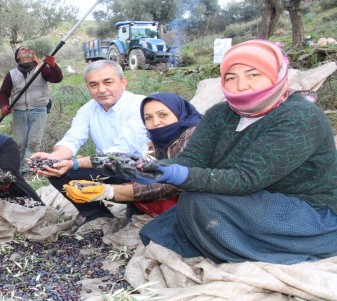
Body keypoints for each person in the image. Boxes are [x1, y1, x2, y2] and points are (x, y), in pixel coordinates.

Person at [133, 40, 337, 264]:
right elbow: (193, 159)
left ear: (276, 76)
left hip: (305, 209)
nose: (241, 86)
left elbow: (246, 178)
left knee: (197, 203)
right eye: (231, 77)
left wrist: (180, 176)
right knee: (157, 232)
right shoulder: (220, 114)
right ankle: (225, 243)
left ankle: (286, 250)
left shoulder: (300, 116)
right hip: (248, 201)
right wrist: (160, 169)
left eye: (253, 75)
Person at [30, 59, 149, 231]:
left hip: (138, 170)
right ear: (88, 87)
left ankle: (134, 204)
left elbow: (120, 152)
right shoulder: (88, 109)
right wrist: (52, 158)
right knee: (56, 170)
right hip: (106, 168)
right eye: (94, 85)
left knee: (136, 218)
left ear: (123, 82)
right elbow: (72, 140)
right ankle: (96, 214)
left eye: (108, 82)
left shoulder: (140, 105)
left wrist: (75, 162)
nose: (101, 89)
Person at [63, 92, 202, 218]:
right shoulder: (159, 140)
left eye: (163, 115)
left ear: (178, 112)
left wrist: (109, 191)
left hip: (198, 203)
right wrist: (74, 163)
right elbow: (129, 162)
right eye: (148, 118)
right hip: (174, 197)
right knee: (136, 178)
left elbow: (176, 183)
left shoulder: (194, 137)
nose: (156, 122)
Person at [0, 46, 64, 173]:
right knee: (19, 143)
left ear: (33, 54)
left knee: (33, 143)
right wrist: (4, 106)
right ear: (17, 56)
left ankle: (28, 171)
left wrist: (53, 66)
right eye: (23, 49)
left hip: (39, 110)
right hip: (19, 112)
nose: (27, 50)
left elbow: (57, 79)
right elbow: (3, 93)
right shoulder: (11, 74)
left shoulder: (42, 68)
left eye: (30, 49)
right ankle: (17, 169)